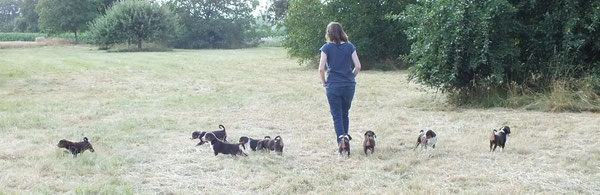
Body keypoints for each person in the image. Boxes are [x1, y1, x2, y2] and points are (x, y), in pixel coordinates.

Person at [318, 22, 362, 145]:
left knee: (337, 115)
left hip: (333, 86)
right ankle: (345, 140)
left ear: (329, 33)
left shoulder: (326, 47)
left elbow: (321, 69)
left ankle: (341, 143)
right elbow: (358, 66)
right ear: (342, 32)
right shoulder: (350, 46)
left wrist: (324, 82)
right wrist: (350, 77)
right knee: (345, 113)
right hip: (349, 86)